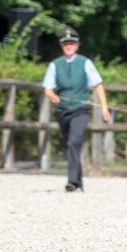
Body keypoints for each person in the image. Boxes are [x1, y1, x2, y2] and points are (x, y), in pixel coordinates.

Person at [42, 27, 111, 192]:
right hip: (63, 110)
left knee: (74, 142)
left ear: (77, 45)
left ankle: (72, 181)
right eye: (66, 43)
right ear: (61, 45)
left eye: (71, 43)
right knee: (70, 144)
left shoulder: (85, 63)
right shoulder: (54, 65)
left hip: (80, 109)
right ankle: (78, 180)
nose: (69, 45)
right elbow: (47, 88)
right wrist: (53, 96)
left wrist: (104, 107)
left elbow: (98, 85)